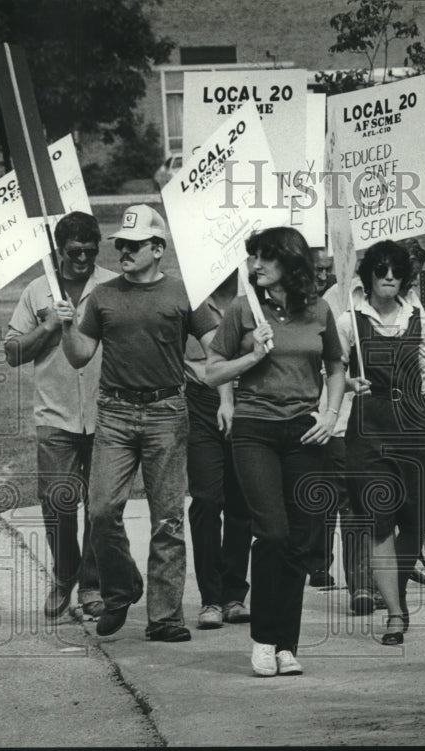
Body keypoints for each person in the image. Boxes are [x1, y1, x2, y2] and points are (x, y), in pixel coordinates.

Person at [56, 204, 219, 643]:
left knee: (167, 520)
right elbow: (79, 356)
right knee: (102, 510)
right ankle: (123, 586)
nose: (123, 251)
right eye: (121, 244)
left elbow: (215, 348)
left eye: (133, 245)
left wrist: (240, 351)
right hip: (114, 413)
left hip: (167, 412)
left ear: (158, 248)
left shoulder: (184, 294)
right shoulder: (103, 296)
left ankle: (164, 618)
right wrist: (67, 327)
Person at [206, 226, 345, 677]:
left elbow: (336, 365)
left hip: (304, 434)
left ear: (291, 263)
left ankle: (287, 645)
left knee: (301, 542)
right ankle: (264, 640)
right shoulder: (242, 308)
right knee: (273, 533)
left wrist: (330, 414)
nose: (255, 266)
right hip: (255, 432)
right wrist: (252, 356)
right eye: (253, 258)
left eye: (266, 258)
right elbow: (212, 373)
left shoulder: (319, 309)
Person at [337, 240, 425, 645]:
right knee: (378, 523)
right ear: (369, 276)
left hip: (414, 426)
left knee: (415, 521)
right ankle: (394, 612)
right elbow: (329, 375)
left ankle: (398, 591)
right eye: (381, 271)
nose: (389, 278)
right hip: (368, 429)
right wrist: (349, 382)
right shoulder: (349, 320)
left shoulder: (415, 314)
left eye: (396, 272)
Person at [4, 211, 117, 619]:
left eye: (91, 249)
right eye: (75, 251)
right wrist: (51, 324)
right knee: (57, 503)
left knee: (102, 507)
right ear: (59, 250)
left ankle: (92, 585)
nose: (84, 258)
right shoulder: (37, 291)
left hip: (109, 413)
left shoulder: (113, 287)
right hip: (56, 415)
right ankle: (64, 573)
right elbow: (13, 353)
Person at [184, 271, 252, 629]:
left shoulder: (255, 298)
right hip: (201, 401)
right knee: (207, 499)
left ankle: (234, 594)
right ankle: (210, 598)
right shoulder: (192, 300)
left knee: (241, 503)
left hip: (251, 399)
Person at [305, 244, 339, 589]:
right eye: (315, 269)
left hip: (332, 406)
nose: (321, 275)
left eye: (326, 269)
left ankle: (319, 562)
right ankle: (312, 558)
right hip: (303, 401)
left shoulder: (333, 299)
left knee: (329, 487)